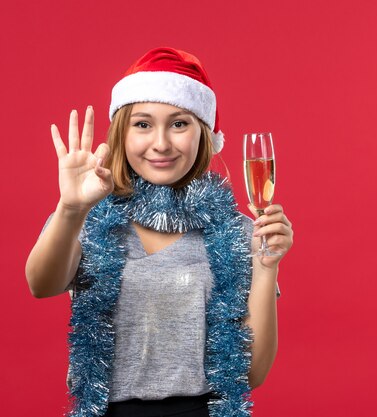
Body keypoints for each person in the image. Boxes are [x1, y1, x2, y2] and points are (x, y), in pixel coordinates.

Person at [25, 47, 293, 417]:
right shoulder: (86, 214)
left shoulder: (239, 233)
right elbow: (41, 285)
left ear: (204, 134)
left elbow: (250, 374)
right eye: (143, 124)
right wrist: (70, 209)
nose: (161, 143)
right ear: (122, 133)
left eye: (179, 123)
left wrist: (266, 267)